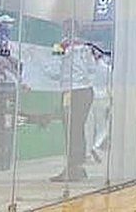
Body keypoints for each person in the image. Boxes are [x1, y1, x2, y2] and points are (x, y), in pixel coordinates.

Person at [43, 23, 97, 182]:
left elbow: (52, 71)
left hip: (71, 92)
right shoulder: (86, 47)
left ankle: (72, 169)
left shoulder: (60, 46)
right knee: (78, 129)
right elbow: (92, 69)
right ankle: (78, 167)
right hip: (86, 91)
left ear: (65, 30)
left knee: (70, 129)